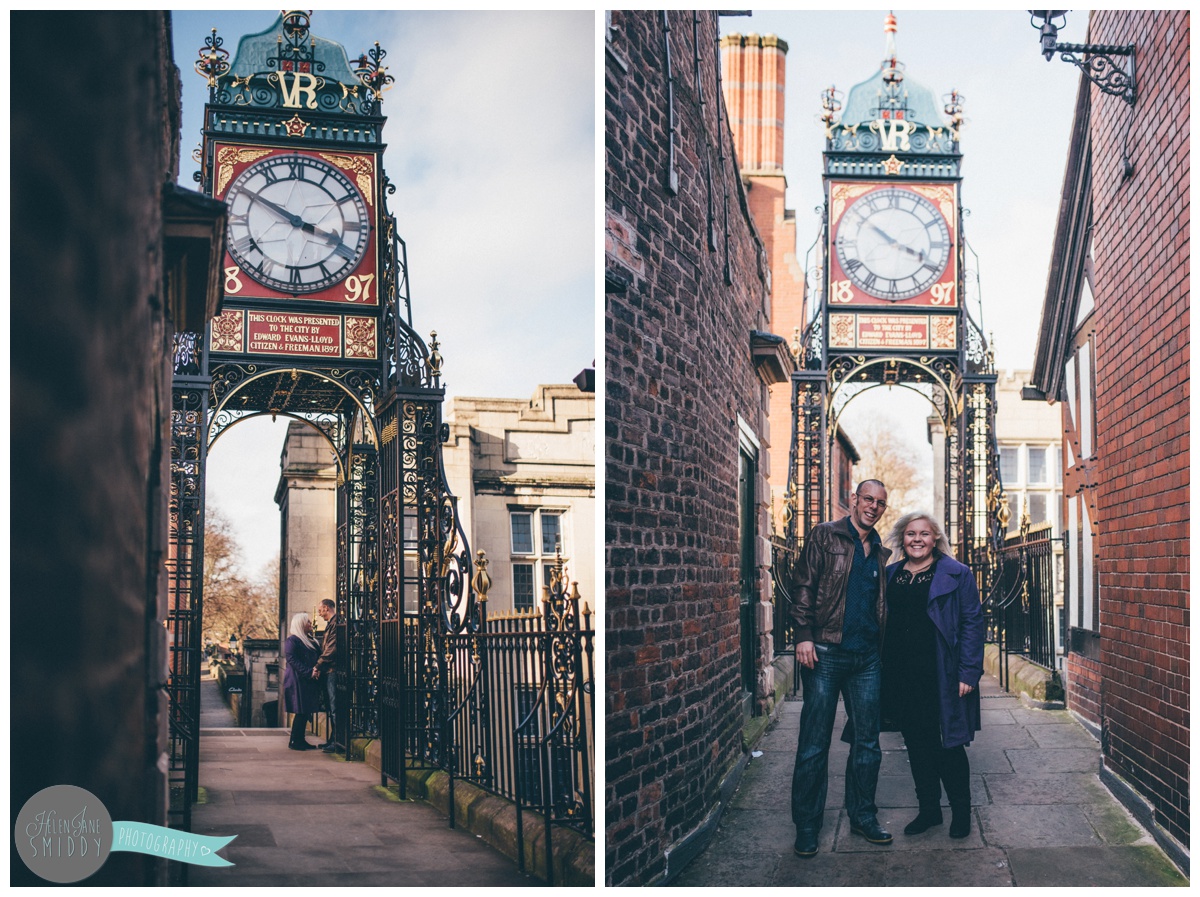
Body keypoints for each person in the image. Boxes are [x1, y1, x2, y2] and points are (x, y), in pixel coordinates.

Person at [789, 479, 891, 858]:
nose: (873, 507)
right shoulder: (825, 535)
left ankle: (863, 815)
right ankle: (807, 825)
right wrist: (802, 634)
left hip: (866, 659)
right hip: (825, 652)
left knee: (868, 742)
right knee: (814, 744)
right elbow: (803, 584)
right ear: (854, 499)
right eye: (868, 499)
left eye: (880, 503)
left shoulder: (881, 550)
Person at [881, 511, 985, 839]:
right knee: (915, 743)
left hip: (941, 672)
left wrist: (969, 672)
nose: (917, 539)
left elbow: (973, 624)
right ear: (902, 539)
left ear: (935, 538)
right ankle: (929, 810)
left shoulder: (958, 574)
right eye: (911, 534)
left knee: (947, 744)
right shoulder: (891, 574)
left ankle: (961, 811)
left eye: (924, 534)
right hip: (901, 673)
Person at [283, 612, 321, 751]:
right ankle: (295, 740)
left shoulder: (310, 640)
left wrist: (316, 670)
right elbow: (292, 660)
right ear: (301, 624)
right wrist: (309, 672)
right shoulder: (292, 640)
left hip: (308, 680)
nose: (310, 624)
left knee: (305, 711)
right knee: (301, 711)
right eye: (308, 622)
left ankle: (300, 739)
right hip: (297, 680)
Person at [312, 598, 339, 753]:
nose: (320, 613)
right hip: (328, 670)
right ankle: (332, 739)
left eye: (321, 610)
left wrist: (318, 665)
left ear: (327, 608)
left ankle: (336, 741)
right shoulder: (331, 624)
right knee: (330, 707)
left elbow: (331, 649)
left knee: (335, 707)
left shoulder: (335, 623)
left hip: (332, 670)